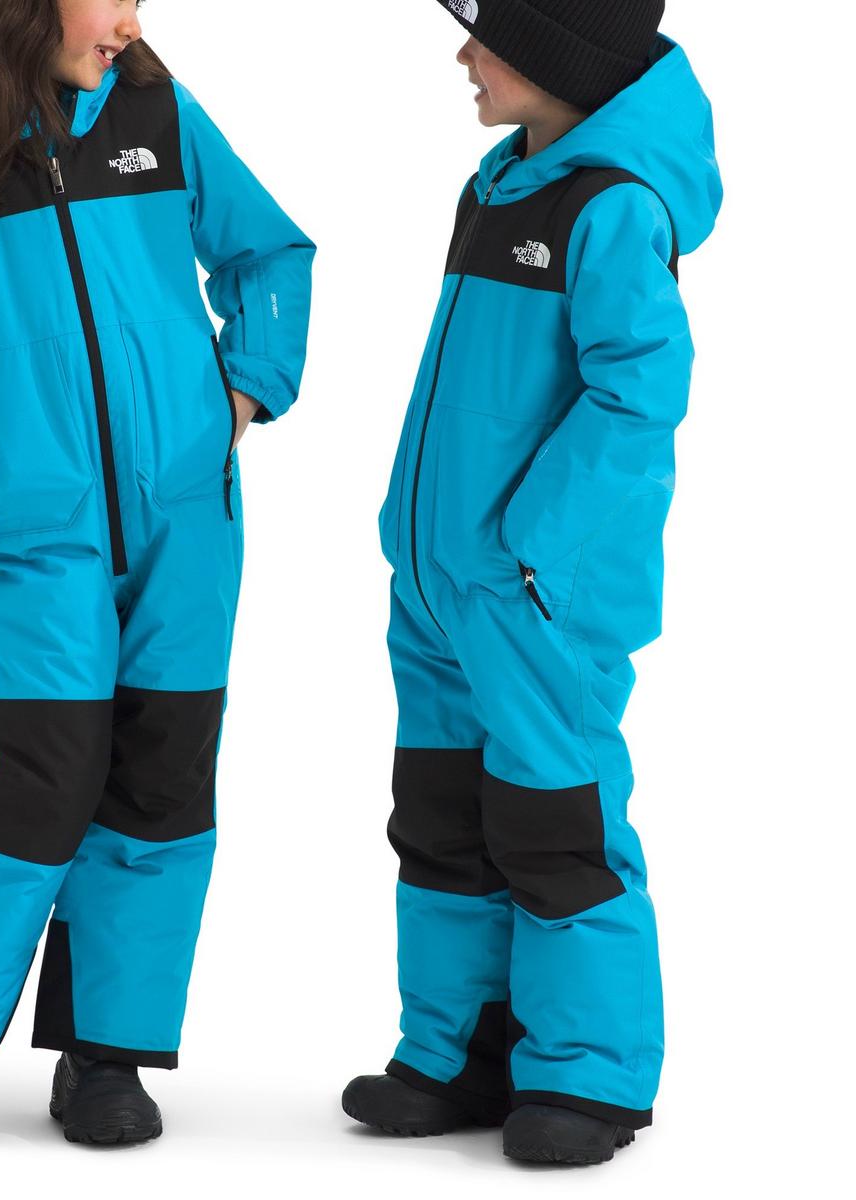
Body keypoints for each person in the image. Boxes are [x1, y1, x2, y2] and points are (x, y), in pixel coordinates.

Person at [0, 0, 313, 1150]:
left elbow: (271, 250)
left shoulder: (156, 111)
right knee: (45, 776)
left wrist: (246, 389)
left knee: (162, 780)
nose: (129, 18)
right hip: (41, 534)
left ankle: (105, 1054)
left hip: (189, 524)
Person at [342, 0, 721, 1166]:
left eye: (489, 37)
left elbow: (639, 391)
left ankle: (588, 1077)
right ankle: (461, 1052)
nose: (465, 55)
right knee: (442, 817)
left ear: (563, 57)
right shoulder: (501, 185)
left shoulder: (609, 208)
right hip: (441, 583)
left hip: (532, 593)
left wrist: (528, 543)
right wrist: (428, 540)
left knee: (554, 822)